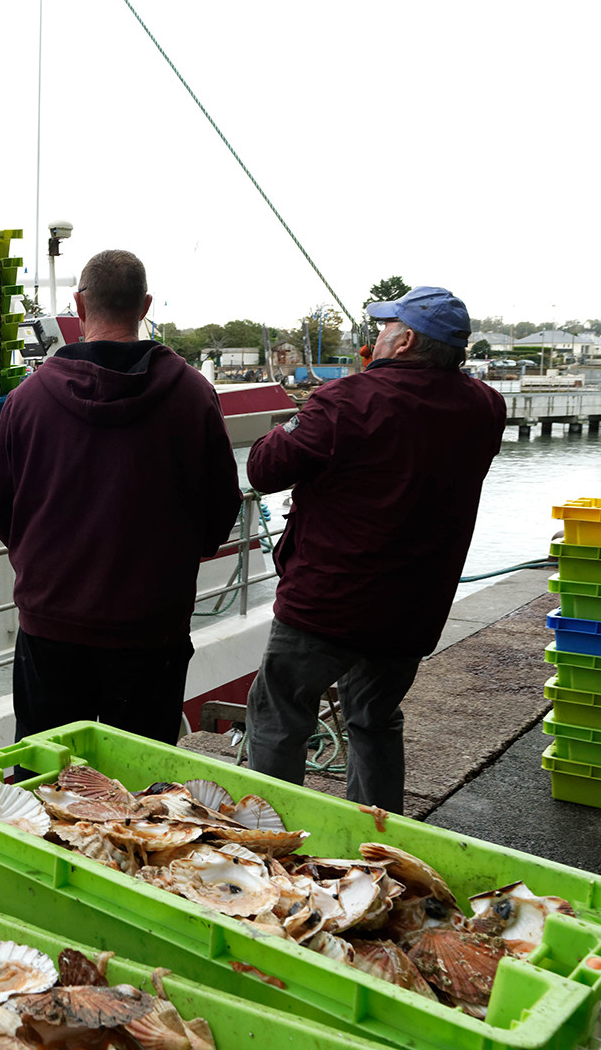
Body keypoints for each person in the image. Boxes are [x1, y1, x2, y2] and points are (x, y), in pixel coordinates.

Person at [242, 285, 508, 813]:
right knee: (376, 720)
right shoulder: (485, 405)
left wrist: (344, 393)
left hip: (327, 602)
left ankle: (271, 846)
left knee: (279, 718)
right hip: (411, 609)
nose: (375, 335)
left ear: (405, 340)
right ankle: (379, 844)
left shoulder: (346, 400)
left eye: (384, 328)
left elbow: (264, 468)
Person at [0, 249, 243, 746]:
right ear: (144, 306)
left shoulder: (28, 400)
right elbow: (221, 506)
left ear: (78, 306)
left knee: (45, 785)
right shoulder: (193, 396)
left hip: (50, 623)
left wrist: (41, 563)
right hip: (152, 629)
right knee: (143, 795)